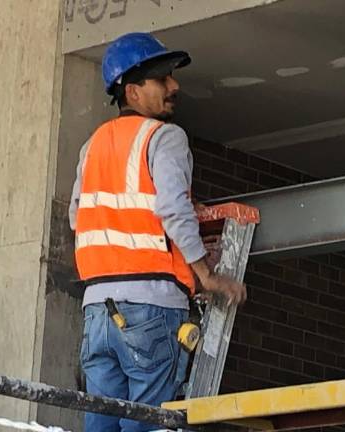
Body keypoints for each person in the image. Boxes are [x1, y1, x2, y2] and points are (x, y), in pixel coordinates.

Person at [69, 32, 247, 431]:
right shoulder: (165, 137)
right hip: (151, 307)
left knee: (101, 424)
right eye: (162, 79)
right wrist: (206, 275)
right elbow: (172, 209)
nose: (174, 86)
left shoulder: (92, 145)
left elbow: (78, 218)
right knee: (150, 424)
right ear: (133, 92)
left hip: (97, 310)